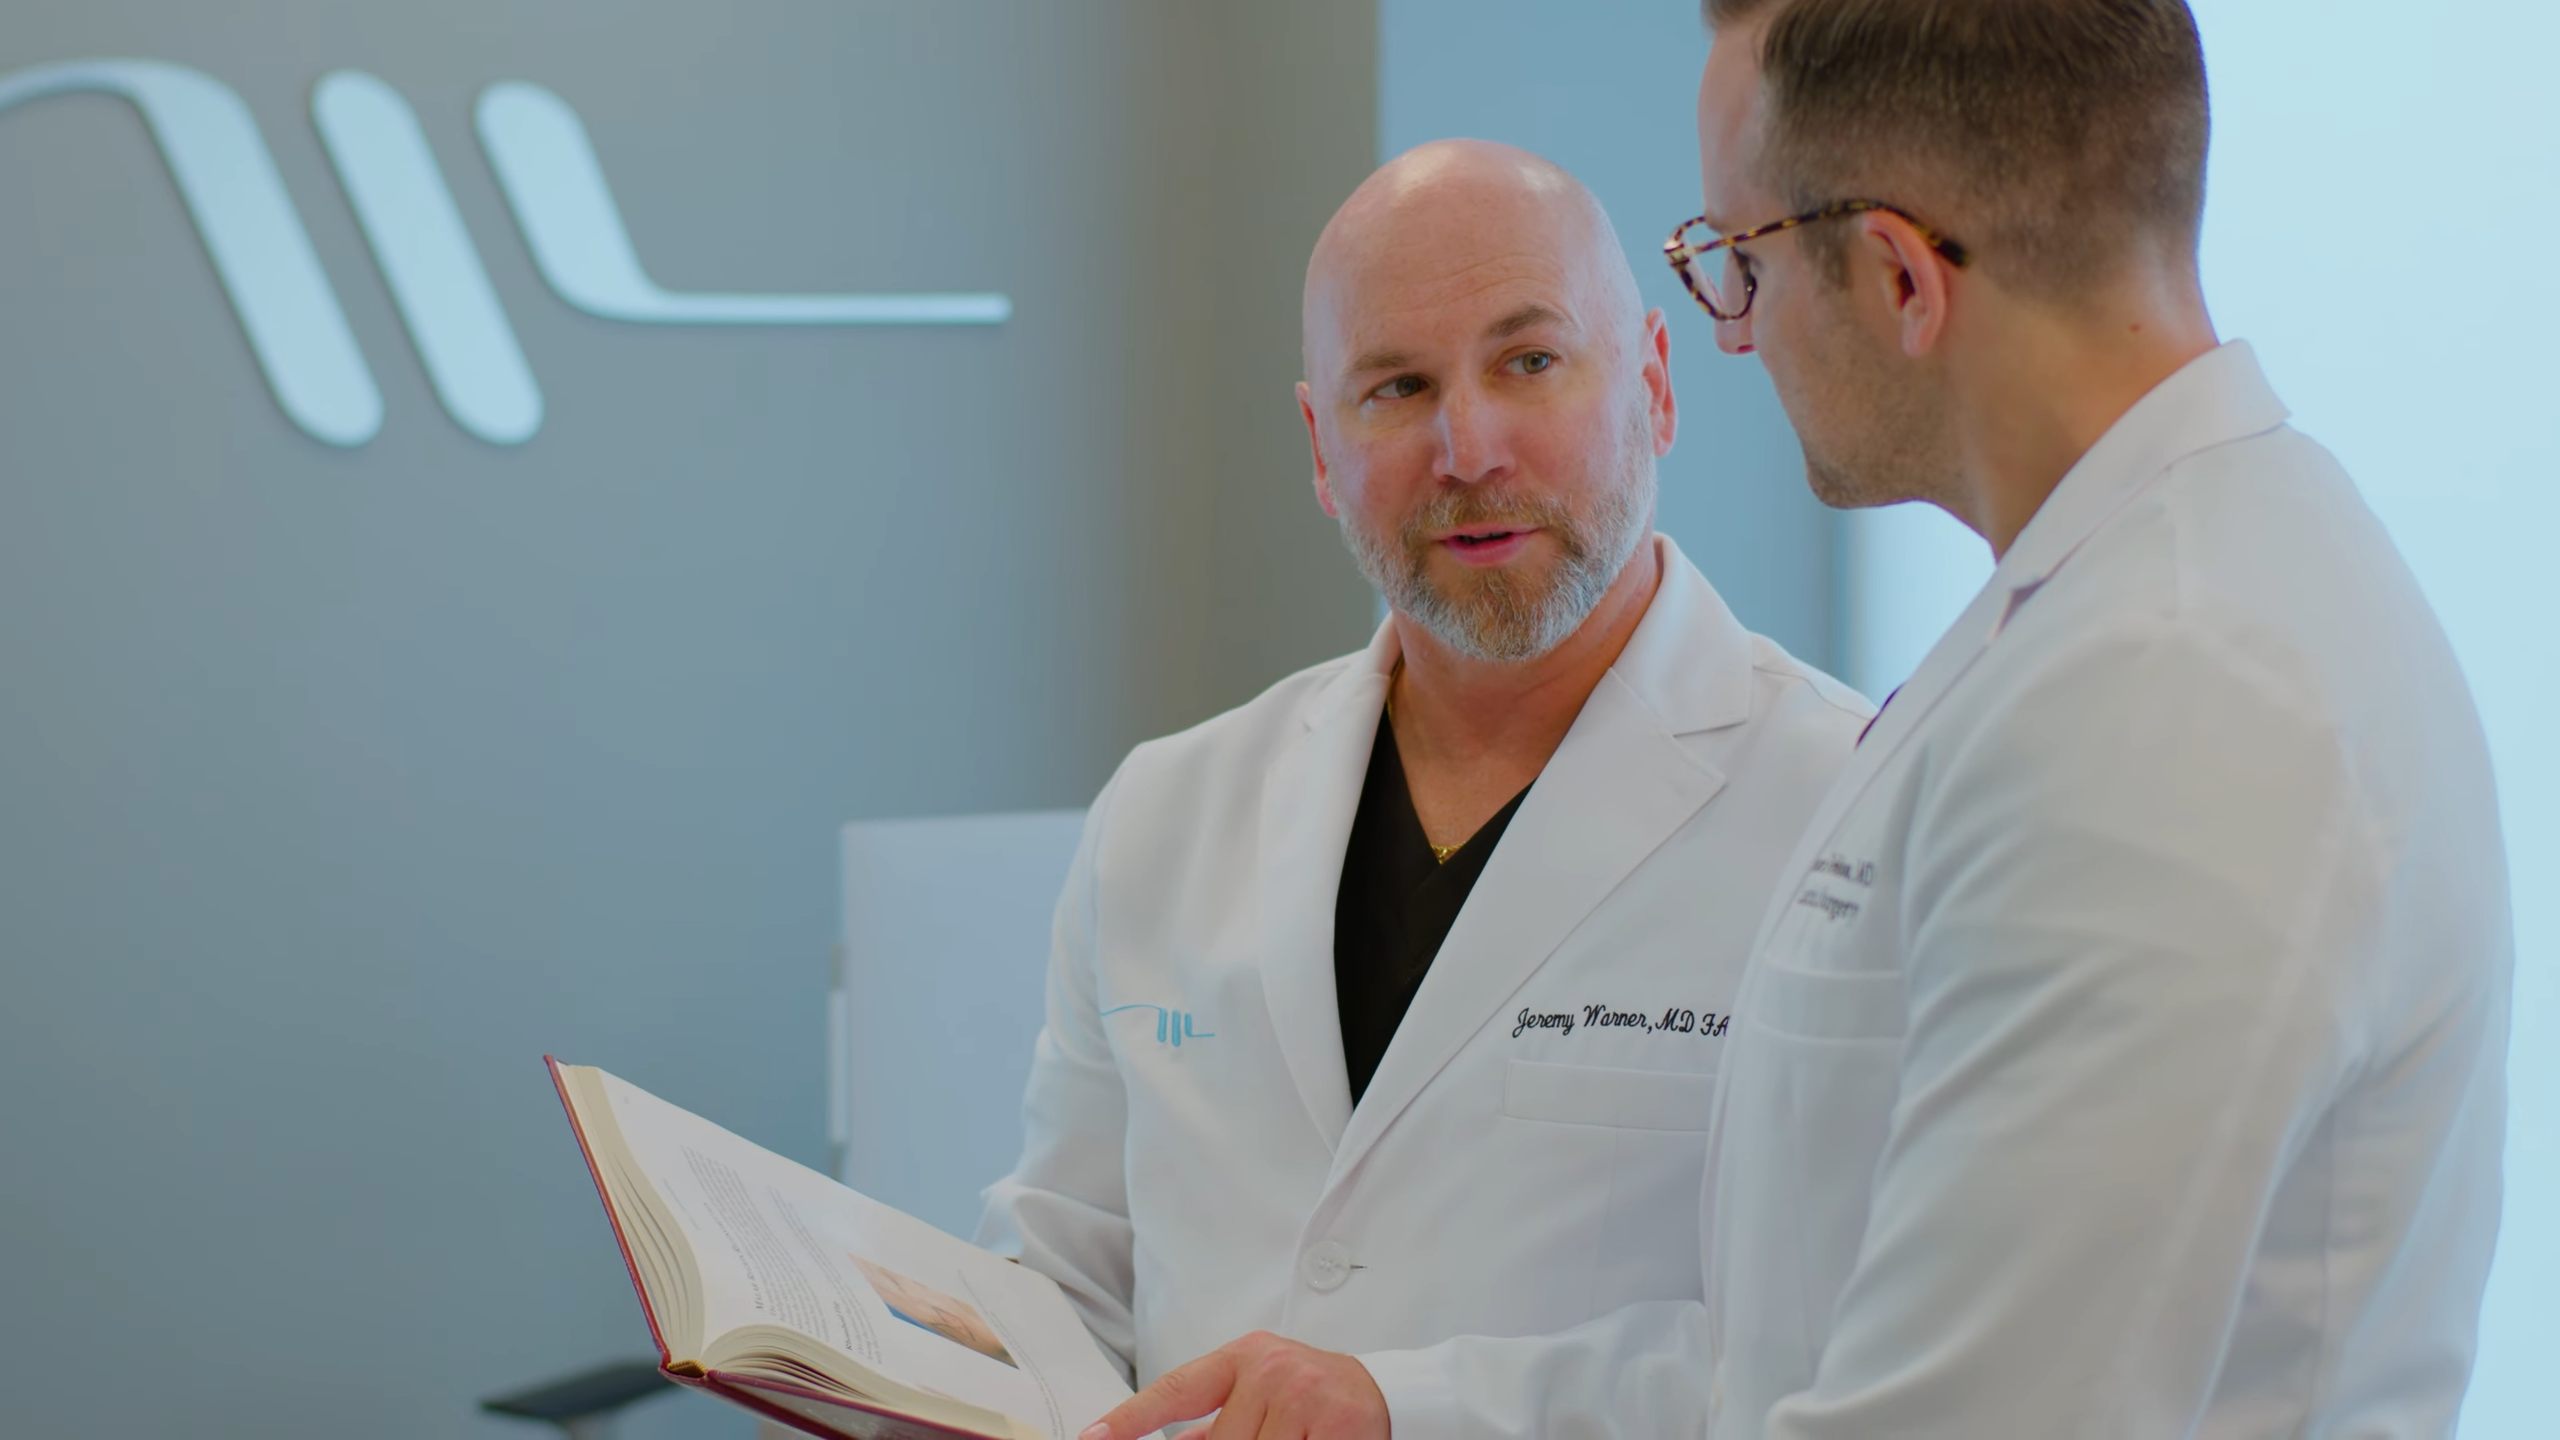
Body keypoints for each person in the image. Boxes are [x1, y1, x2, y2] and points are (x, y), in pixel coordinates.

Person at [1678, 0, 2510, 1433]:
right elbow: (1792, 1347)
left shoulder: (2176, 693)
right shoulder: (2116, 611)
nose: (1737, 339)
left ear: (1895, 277)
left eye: (1739, 260)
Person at [976, 139, 1868, 1440]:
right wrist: (888, 1373)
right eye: (1394, 388)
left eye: (1531, 361)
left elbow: (1859, 1344)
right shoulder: (1167, 814)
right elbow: (1061, 1273)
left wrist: (1411, 1409)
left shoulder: (1849, 810)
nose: (1467, 446)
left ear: (1656, 387)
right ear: (1322, 450)